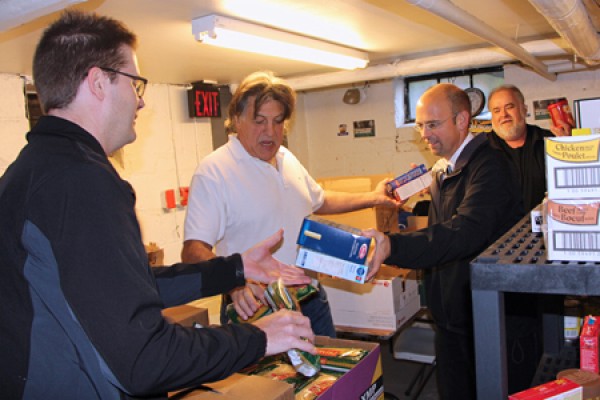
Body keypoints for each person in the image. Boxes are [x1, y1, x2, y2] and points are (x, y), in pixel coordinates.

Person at [0, 11, 316, 400]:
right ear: (98, 82)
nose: (142, 101)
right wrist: (256, 339)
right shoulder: (79, 181)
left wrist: (233, 269)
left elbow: (120, 288)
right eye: (136, 84)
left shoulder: (34, 170)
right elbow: (143, 358)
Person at [182, 71, 399, 337]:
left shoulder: (286, 157)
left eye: (277, 122)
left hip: (309, 298)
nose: (270, 132)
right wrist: (233, 283)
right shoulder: (214, 171)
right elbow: (193, 250)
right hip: (257, 308)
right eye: (259, 121)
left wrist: (373, 197)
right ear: (236, 120)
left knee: (329, 376)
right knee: (269, 381)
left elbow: (319, 199)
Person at [363, 83, 524, 399]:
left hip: (484, 317)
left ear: (462, 120)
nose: (424, 134)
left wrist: (392, 245)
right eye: (421, 125)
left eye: (433, 124)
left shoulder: (491, 165)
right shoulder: (447, 167)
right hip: (451, 312)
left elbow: (463, 232)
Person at [487, 84, 571, 212]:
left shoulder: (551, 142)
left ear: (524, 110)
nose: (504, 114)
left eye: (510, 107)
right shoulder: (481, 149)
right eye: (497, 110)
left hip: (544, 228)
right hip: (500, 232)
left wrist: (571, 148)